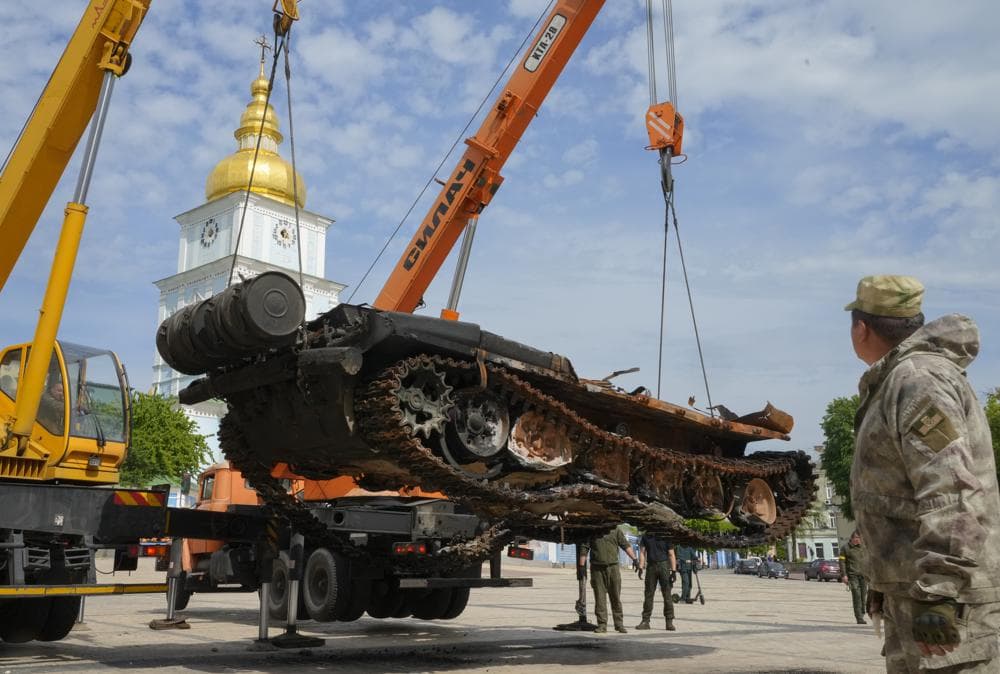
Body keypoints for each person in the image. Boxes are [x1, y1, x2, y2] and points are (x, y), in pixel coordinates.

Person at [846, 275, 1000, 672]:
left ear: (861, 328)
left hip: (946, 605)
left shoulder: (917, 380)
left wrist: (941, 591)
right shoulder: (901, 379)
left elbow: (951, 487)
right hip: (917, 593)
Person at [578, 526, 637, 634]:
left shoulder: (616, 530)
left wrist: (635, 559)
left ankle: (619, 624)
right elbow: (584, 548)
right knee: (600, 598)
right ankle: (602, 625)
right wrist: (582, 566)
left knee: (615, 597)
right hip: (597, 569)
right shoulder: (592, 530)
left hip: (613, 568)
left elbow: (625, 545)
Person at [635, 532, 676, 631]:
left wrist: (641, 567)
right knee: (664, 595)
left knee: (653, 595)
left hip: (657, 566)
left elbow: (642, 552)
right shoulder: (664, 535)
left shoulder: (648, 536)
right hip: (659, 566)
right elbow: (671, 554)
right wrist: (673, 571)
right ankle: (666, 622)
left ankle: (649, 621)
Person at [839, 530, 868, 625]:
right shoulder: (845, 548)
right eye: (857, 538)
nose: (858, 540)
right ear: (852, 538)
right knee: (857, 596)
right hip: (852, 576)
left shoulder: (863, 547)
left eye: (860, 538)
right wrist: (844, 575)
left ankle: (862, 613)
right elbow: (842, 563)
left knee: (863, 596)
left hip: (863, 576)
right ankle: (859, 617)